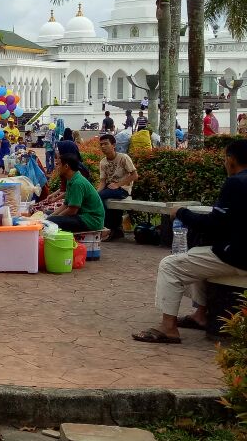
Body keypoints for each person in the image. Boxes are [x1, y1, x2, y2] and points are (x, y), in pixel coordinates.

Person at [132, 139, 247, 344]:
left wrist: (181, 213)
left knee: (170, 266)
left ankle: (168, 328)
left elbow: (214, 224)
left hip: (238, 257)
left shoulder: (236, 182)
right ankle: (200, 315)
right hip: (238, 252)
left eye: (224, 160)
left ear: (230, 160)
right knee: (198, 255)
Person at [46, 153, 106, 234]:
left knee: (51, 222)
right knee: (47, 215)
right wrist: (51, 216)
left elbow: (72, 210)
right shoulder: (71, 179)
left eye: (58, 164)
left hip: (91, 220)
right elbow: (66, 205)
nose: (56, 167)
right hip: (82, 216)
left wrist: (52, 219)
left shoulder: (77, 183)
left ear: (66, 166)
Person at [97, 133, 137, 241]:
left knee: (101, 197)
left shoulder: (123, 158)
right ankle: (116, 230)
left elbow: (134, 175)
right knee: (98, 197)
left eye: (106, 144)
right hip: (109, 189)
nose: (103, 147)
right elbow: (102, 182)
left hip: (122, 189)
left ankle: (106, 228)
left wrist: (118, 184)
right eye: (101, 144)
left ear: (113, 145)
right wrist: (95, 193)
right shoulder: (103, 162)